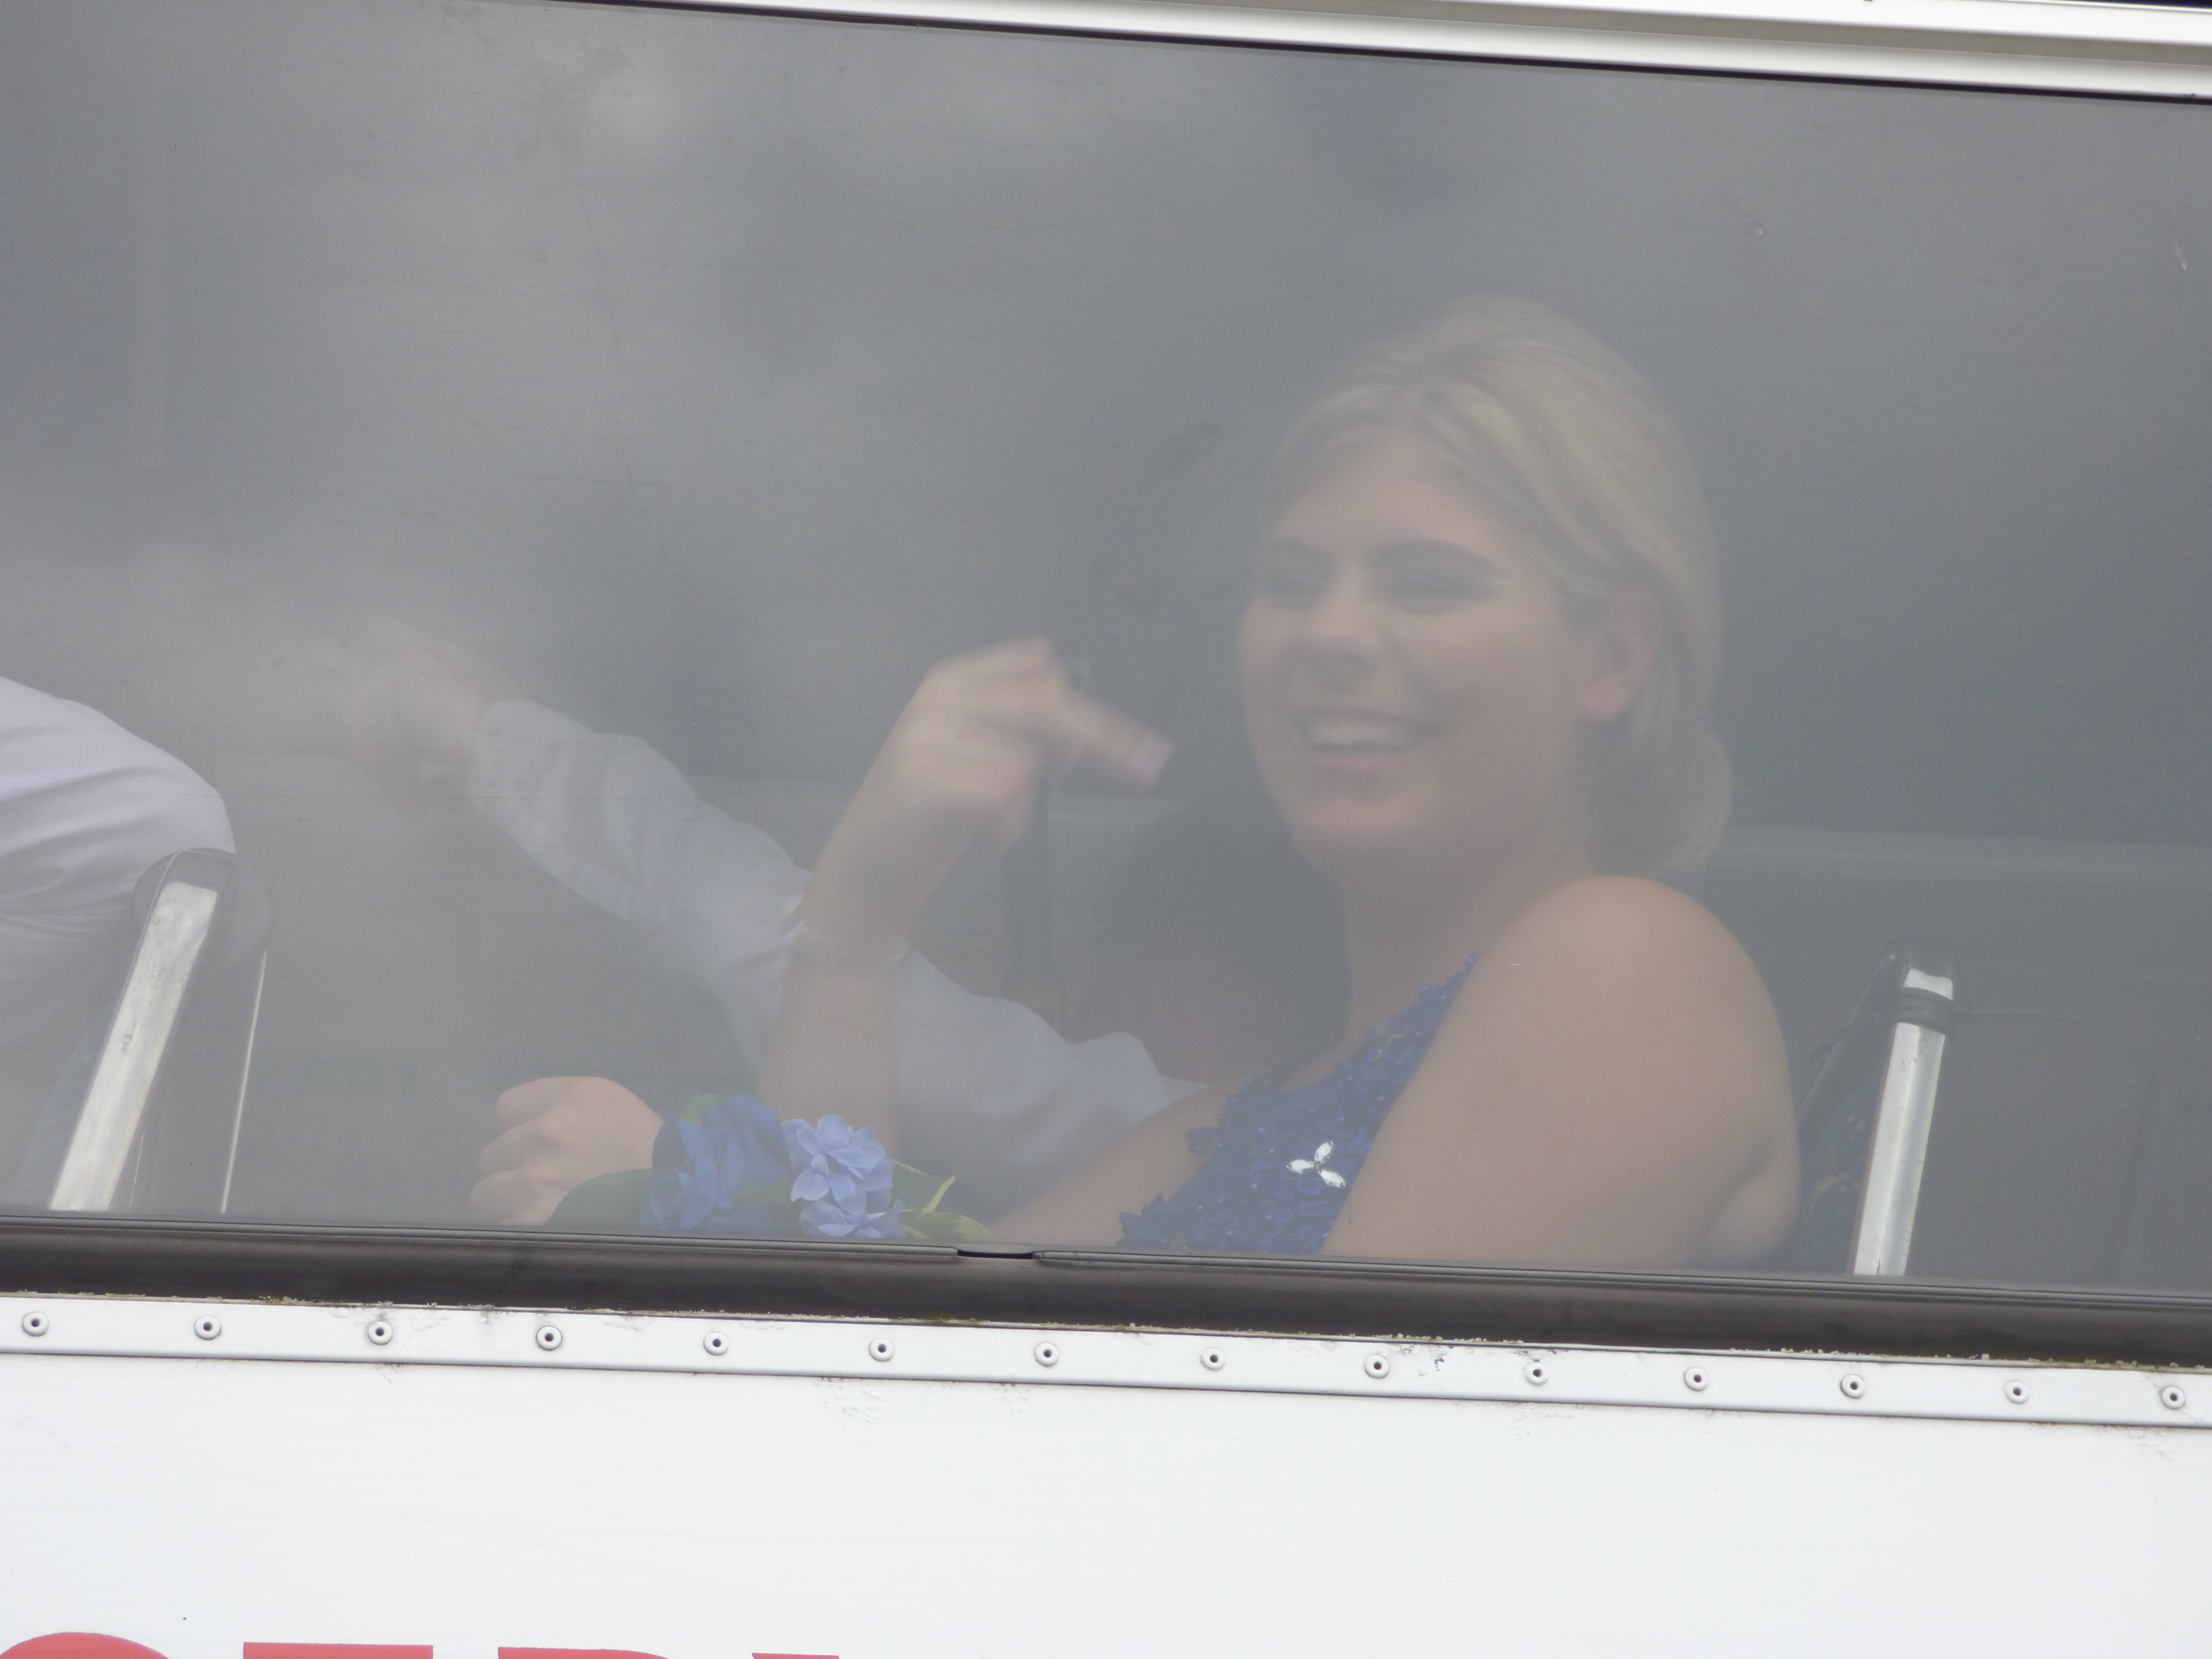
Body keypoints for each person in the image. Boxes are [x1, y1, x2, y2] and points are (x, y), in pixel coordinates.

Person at [749, 295, 1798, 1265]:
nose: (1329, 631)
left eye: (1426, 585)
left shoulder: (1628, 965)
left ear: (1614, 656)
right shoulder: (1247, 1115)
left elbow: (1356, 1399)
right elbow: (866, 1340)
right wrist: (858, 914)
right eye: (1292, 581)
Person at [347, 638, 1231, 1223]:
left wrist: (688, 1188)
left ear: (1154, 994)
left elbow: (910, 1064)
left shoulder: (1202, 1139)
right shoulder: (1199, 1148)